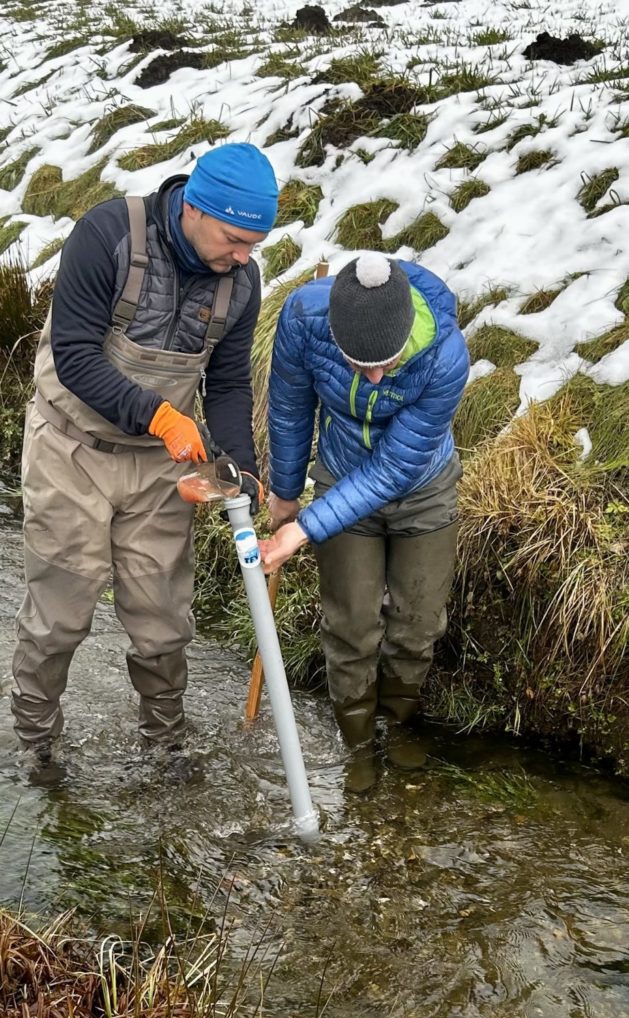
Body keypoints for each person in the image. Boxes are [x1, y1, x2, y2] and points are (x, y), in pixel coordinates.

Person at [12, 142, 278, 754]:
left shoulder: (240, 281)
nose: (244, 256)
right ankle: (37, 748)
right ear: (195, 209)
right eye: (236, 239)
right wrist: (159, 415)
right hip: (70, 451)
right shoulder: (106, 234)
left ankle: (164, 745)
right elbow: (75, 357)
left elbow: (229, 382)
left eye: (254, 246)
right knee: (59, 617)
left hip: (161, 466)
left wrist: (240, 462)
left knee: (163, 622)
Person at [259, 253, 469, 792]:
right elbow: (289, 405)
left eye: (388, 363)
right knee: (351, 626)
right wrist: (285, 495)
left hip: (422, 489)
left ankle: (397, 726)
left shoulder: (446, 355)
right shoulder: (305, 319)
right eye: (360, 364)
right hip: (340, 472)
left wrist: (302, 530)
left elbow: (397, 466)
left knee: (417, 623)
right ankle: (356, 742)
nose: (374, 377)